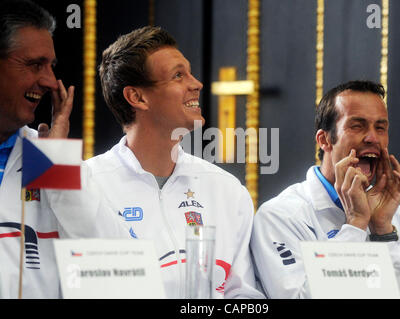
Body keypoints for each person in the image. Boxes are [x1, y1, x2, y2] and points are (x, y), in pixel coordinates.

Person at [88, 25, 264, 298]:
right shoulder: (88, 186)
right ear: (137, 97)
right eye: (178, 75)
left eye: (190, 73)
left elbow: (243, 295)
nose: (196, 84)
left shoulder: (227, 189)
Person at [0, 0, 130, 299]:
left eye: (51, 66)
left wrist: (58, 165)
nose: (48, 81)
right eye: (35, 64)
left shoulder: (46, 157)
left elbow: (120, 270)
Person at [250, 80, 400, 298]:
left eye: (380, 128)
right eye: (357, 125)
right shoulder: (280, 216)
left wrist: (382, 232)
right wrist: (355, 225)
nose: (372, 138)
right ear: (324, 140)